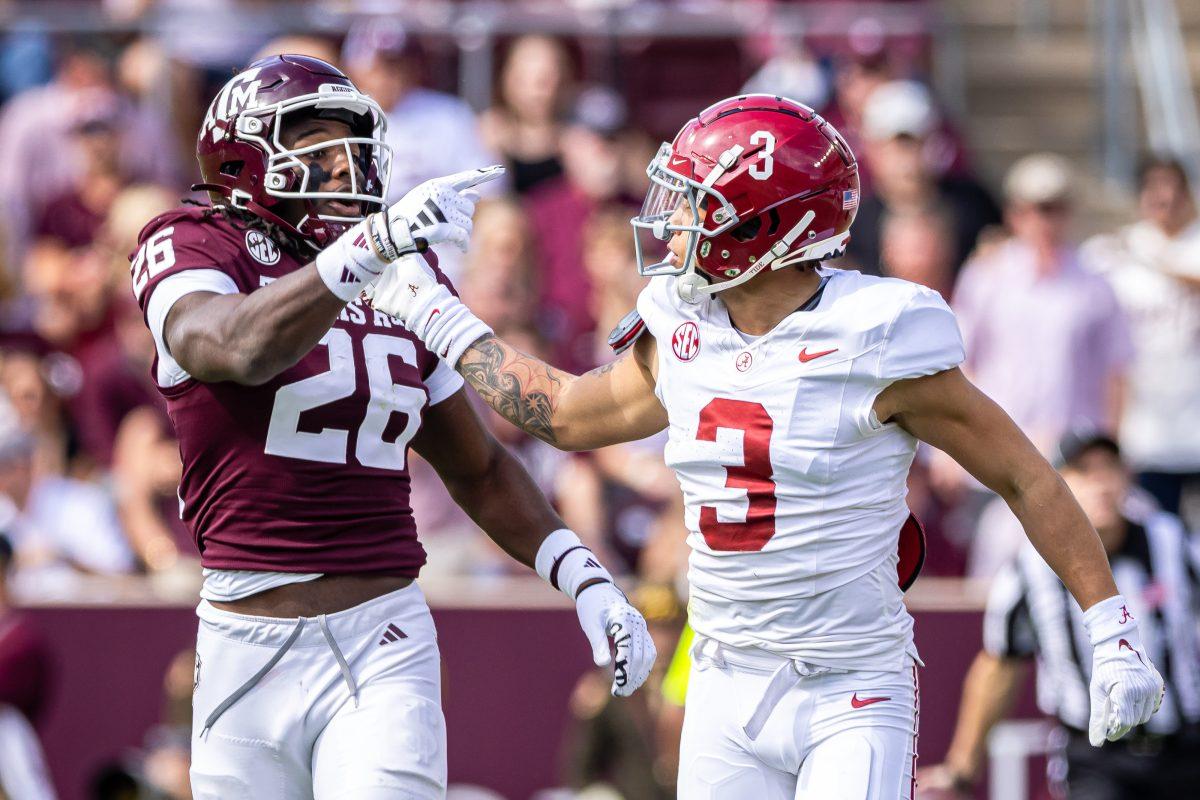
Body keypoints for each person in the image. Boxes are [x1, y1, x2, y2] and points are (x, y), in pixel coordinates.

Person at [369, 94, 1165, 799]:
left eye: (696, 201)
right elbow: (566, 414)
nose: (672, 217)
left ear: (766, 225)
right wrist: (441, 318)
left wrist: (1111, 628)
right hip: (721, 676)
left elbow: (1026, 477)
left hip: (849, 687)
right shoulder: (681, 328)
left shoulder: (878, 338)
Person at [129, 55, 654, 798]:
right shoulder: (195, 242)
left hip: (382, 634)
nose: (345, 168)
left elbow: (475, 464)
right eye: (316, 145)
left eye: (352, 147)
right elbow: (232, 346)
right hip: (243, 640)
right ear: (242, 155)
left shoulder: (400, 267)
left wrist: (582, 574)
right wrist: (361, 254)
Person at [920, 430, 1200, 799]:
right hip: (1095, 759)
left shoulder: (1173, 542)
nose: (1100, 482)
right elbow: (1001, 662)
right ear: (1057, 484)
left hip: (1186, 750)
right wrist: (962, 769)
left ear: (1127, 476)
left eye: (1109, 468)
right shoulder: (1030, 568)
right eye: (1084, 470)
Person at [1081, 155, 1200, 524]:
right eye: (1154, 187)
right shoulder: (1113, 252)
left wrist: (1159, 263)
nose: (1163, 197)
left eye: (1172, 187)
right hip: (1146, 431)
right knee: (1160, 538)